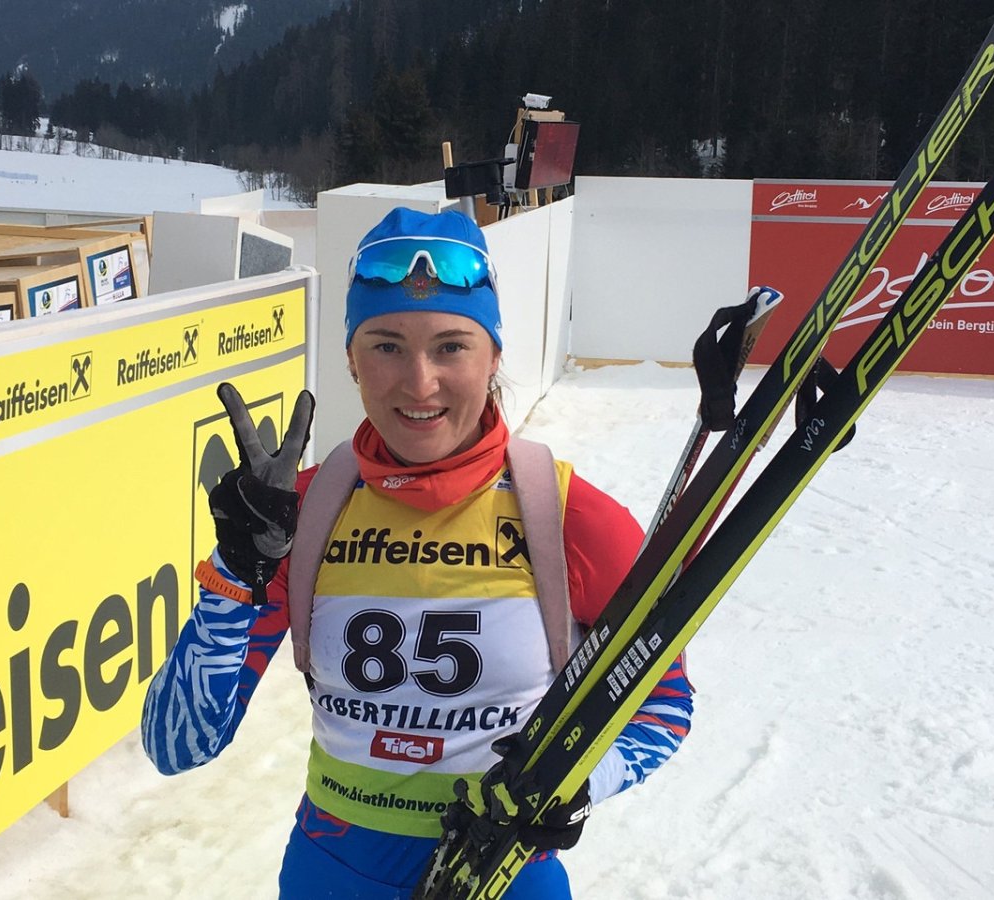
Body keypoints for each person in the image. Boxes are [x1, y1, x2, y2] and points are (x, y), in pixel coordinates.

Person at [141, 207, 693, 898]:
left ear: (494, 357)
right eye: (387, 346)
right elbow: (177, 745)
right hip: (334, 875)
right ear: (351, 358)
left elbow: (664, 705)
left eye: (451, 347)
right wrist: (233, 576)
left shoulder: (569, 518)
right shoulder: (298, 515)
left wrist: (579, 783)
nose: (420, 382)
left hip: (501, 874)